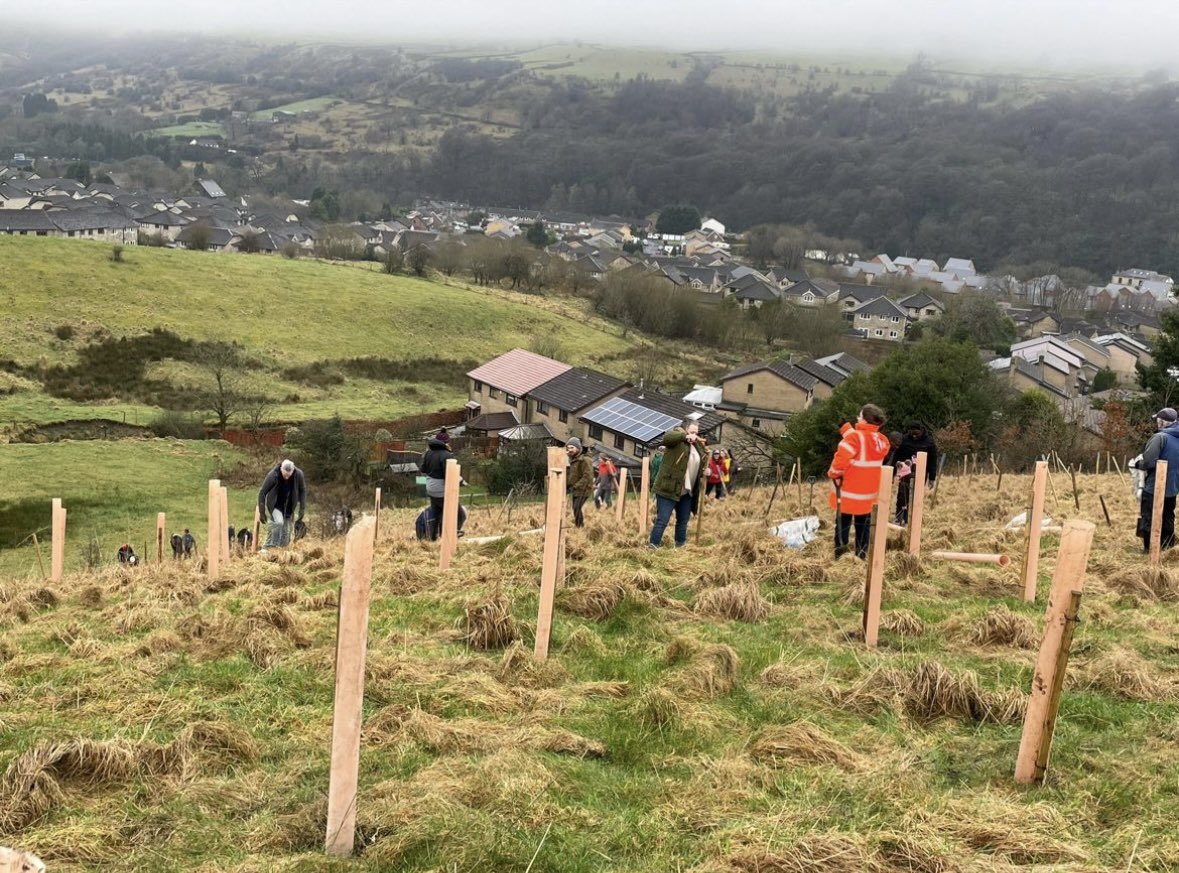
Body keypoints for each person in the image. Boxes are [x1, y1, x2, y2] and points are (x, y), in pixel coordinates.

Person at [828, 404, 891, 559]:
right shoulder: (882, 441)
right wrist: (846, 429)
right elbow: (864, 443)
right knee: (863, 525)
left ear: (863, 419)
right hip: (869, 493)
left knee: (843, 524)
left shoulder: (855, 438)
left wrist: (834, 474)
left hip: (849, 491)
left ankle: (841, 555)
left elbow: (842, 458)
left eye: (859, 415)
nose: (857, 417)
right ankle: (861, 555)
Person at [649, 421, 706, 548]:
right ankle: (653, 546)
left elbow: (702, 461)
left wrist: (706, 470)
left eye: (696, 433)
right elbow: (667, 438)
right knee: (662, 520)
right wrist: (685, 437)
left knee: (683, 521)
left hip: (687, 491)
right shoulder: (676, 440)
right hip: (668, 488)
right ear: (685, 430)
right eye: (691, 432)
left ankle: (680, 546)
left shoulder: (698, 446)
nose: (694, 435)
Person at [1134, 407, 1179, 552]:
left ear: (1162, 422)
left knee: (1148, 516)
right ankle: (1167, 548)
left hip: (1155, 486)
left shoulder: (1160, 438)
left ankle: (1149, 549)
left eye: (1158, 420)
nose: (1157, 423)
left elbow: (1149, 462)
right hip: (1173, 487)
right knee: (1168, 516)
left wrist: (1137, 464)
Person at [893, 422, 939, 524]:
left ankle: (913, 519)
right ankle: (899, 517)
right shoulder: (905, 440)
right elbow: (896, 456)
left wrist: (932, 477)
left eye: (916, 434)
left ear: (922, 431)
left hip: (921, 474)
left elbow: (933, 460)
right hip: (905, 473)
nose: (914, 436)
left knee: (916, 497)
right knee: (902, 496)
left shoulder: (929, 442)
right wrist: (893, 472)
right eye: (912, 434)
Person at [257, 458, 306, 550]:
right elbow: (262, 492)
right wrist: (262, 511)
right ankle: (268, 548)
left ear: (292, 471)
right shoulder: (273, 475)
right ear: (281, 469)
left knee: (286, 533)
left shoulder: (298, 474)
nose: (287, 477)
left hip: (289, 506)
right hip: (275, 504)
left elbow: (302, 491)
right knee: (278, 523)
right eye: (285, 475)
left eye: (289, 475)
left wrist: (302, 510)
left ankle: (281, 551)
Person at [419, 435, 457, 540]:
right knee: (447, 513)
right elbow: (449, 475)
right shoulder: (447, 456)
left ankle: (433, 537)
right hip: (442, 490)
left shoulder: (428, 454)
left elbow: (423, 469)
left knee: (436, 513)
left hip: (430, 488)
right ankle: (445, 536)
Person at [566, 437, 594, 527]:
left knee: (577, 508)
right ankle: (578, 525)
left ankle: (580, 526)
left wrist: (575, 486)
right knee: (575, 508)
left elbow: (587, 476)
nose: (570, 450)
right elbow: (572, 475)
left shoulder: (585, 460)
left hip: (584, 489)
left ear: (578, 448)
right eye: (568, 448)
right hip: (576, 489)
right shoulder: (572, 460)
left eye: (572, 448)